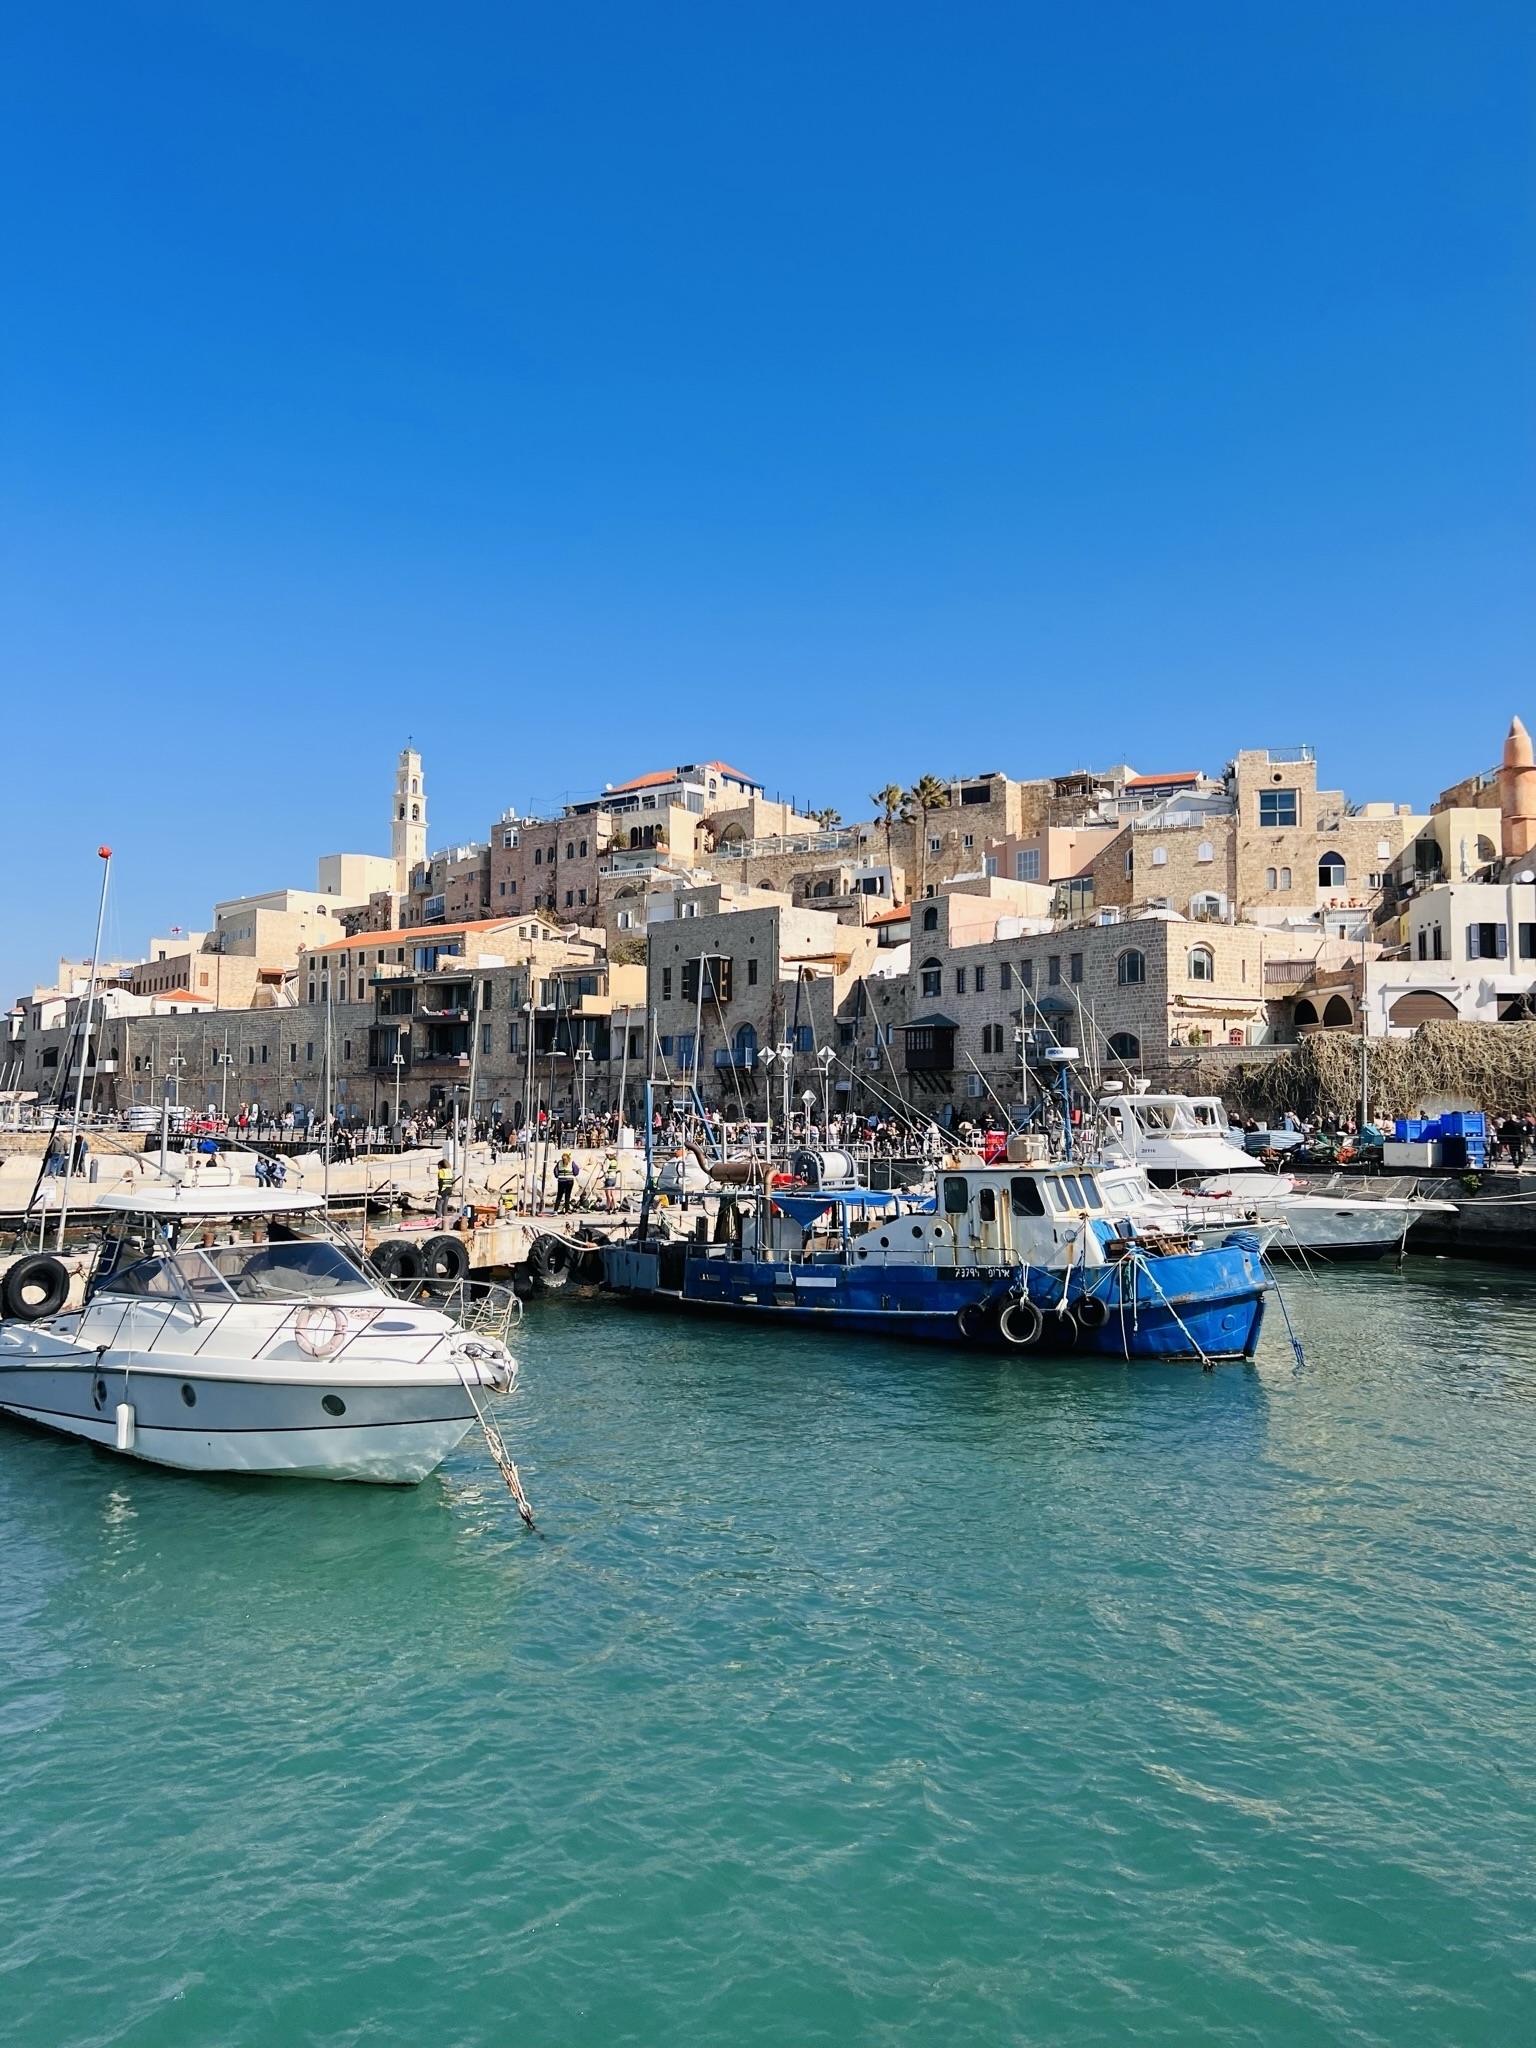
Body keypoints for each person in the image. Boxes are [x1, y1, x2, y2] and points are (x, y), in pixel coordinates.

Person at [436, 1156, 455, 1221]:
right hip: (449, 1189)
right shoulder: (450, 1171)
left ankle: (438, 1217)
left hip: (443, 1189)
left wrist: (439, 1192)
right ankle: (445, 1216)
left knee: (439, 1203)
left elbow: (441, 1182)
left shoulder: (441, 1171)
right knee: (445, 1203)